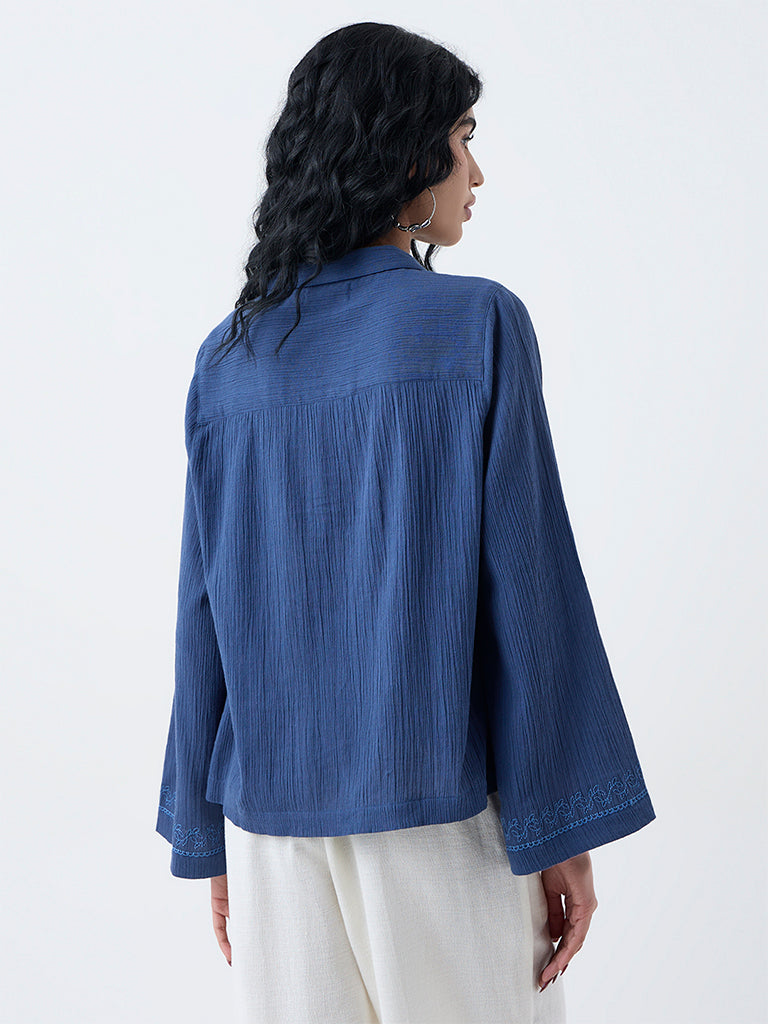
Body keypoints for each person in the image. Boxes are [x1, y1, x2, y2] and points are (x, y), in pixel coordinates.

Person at [155, 21, 656, 1024]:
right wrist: (559, 823)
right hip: (439, 814)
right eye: (463, 139)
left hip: (269, 824)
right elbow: (530, 584)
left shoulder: (229, 356)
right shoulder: (476, 324)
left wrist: (209, 838)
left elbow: (202, 608)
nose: (477, 172)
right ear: (403, 153)